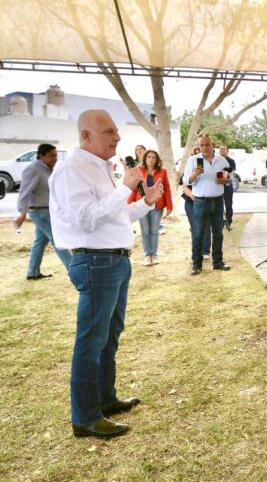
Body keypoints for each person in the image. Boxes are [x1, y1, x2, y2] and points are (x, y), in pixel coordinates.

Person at [50, 109, 165, 438]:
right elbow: (85, 219)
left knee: (109, 336)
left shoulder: (99, 168)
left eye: (116, 131)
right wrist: (123, 188)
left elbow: (114, 216)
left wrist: (145, 202)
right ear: (86, 135)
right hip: (96, 263)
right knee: (91, 341)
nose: (117, 137)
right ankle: (85, 418)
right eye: (109, 132)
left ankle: (105, 399)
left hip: (114, 260)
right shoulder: (73, 169)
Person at [14, 143, 72, 280]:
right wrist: (22, 213)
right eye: (52, 156)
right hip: (40, 212)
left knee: (40, 242)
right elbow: (24, 192)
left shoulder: (47, 169)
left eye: (56, 155)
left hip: (47, 210)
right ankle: (74, 270)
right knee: (57, 239)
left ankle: (32, 272)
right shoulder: (33, 169)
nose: (55, 158)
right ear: (42, 156)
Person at [183, 134, 232, 275]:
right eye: (201, 145)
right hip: (200, 202)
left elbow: (229, 178)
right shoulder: (193, 160)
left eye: (207, 144)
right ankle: (196, 265)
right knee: (198, 234)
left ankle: (218, 262)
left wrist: (226, 179)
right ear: (199, 146)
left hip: (217, 201)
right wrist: (194, 175)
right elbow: (186, 181)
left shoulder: (221, 160)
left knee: (218, 234)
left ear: (213, 145)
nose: (204, 147)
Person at [128, 149, 172, 266]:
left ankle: (154, 254)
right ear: (145, 159)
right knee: (145, 230)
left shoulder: (163, 171)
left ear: (156, 160)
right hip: (141, 204)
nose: (151, 159)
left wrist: (169, 205)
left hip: (157, 205)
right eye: (149, 157)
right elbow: (134, 188)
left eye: (153, 157)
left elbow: (167, 189)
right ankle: (147, 255)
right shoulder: (139, 170)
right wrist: (130, 203)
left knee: (154, 230)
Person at [218, 145, 237, 231]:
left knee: (228, 205)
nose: (222, 150)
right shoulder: (216, 160)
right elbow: (217, 171)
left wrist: (221, 173)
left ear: (227, 151)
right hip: (218, 186)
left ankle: (229, 222)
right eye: (221, 149)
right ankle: (220, 223)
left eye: (224, 149)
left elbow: (229, 171)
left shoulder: (231, 161)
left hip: (227, 186)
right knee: (218, 205)